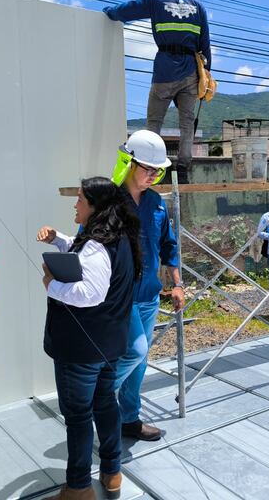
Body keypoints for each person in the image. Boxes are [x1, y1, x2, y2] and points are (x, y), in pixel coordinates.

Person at [37, 177, 141, 500]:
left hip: (82, 350)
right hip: (108, 346)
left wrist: (51, 285)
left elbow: (90, 292)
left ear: (95, 206)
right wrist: (59, 240)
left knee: (79, 415)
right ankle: (112, 472)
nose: (75, 204)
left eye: (80, 199)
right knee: (105, 403)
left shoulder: (97, 244)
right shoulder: (118, 237)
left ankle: (79, 487)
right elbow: (88, 257)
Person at [103, 0, 211, 184]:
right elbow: (205, 47)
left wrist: (109, 13)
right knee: (187, 123)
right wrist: (205, 76)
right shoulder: (199, 7)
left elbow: (125, 11)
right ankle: (182, 170)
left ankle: (150, 166)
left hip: (164, 69)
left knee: (154, 122)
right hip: (191, 71)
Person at [112, 130, 185, 442]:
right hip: (120, 298)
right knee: (134, 351)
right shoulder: (109, 202)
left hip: (149, 297)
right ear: (129, 163)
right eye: (148, 168)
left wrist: (178, 285)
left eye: (158, 170)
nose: (154, 175)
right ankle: (91, 398)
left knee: (139, 363)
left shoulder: (156, 203)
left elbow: (169, 246)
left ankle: (128, 419)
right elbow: (84, 242)